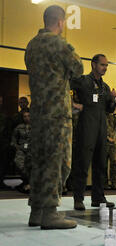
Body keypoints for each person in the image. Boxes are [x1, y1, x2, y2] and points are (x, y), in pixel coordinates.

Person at [25, 5, 84, 229]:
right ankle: (50, 212)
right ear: (61, 22)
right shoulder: (60, 44)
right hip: (58, 114)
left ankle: (36, 211)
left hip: (38, 113)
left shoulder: (31, 45)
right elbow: (78, 68)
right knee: (58, 162)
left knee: (39, 160)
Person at [70, 54, 116, 210]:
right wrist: (74, 105)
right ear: (93, 64)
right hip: (86, 127)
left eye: (106, 65)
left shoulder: (104, 87)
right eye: (102, 65)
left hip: (101, 128)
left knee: (101, 164)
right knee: (82, 163)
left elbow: (109, 110)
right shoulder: (82, 81)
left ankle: (98, 198)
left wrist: (112, 99)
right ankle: (78, 199)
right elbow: (63, 87)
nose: (105, 68)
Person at [11, 111, 31, 193]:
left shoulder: (36, 126)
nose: (26, 118)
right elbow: (14, 139)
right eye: (24, 116)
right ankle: (26, 181)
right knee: (19, 163)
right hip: (22, 149)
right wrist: (17, 147)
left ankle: (30, 184)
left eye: (28, 116)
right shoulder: (19, 127)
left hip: (32, 150)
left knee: (33, 165)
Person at [105, 112, 116, 190]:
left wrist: (115, 117)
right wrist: (107, 137)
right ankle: (104, 184)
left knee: (114, 163)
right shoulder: (102, 115)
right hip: (104, 142)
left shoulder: (114, 117)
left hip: (114, 142)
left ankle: (115, 183)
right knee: (103, 164)